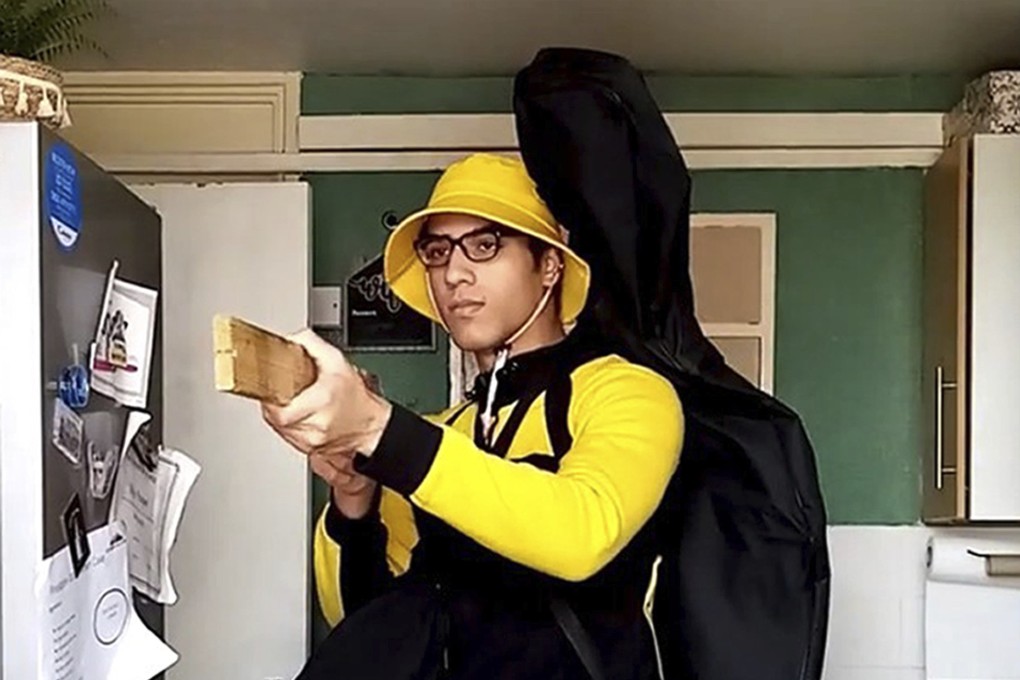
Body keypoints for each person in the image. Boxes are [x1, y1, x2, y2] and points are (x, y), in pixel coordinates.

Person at [261, 153, 684, 679]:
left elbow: (582, 535)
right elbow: (366, 620)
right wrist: (354, 496)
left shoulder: (626, 393)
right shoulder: (442, 432)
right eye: (437, 252)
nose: (454, 273)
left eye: (485, 246)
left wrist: (378, 428)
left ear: (548, 265)